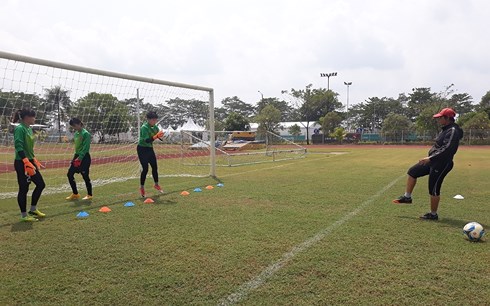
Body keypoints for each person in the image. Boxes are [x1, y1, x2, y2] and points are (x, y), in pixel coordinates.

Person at [393, 108, 463, 220]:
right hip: (433, 161)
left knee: (433, 188)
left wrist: (430, 157)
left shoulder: (453, 131)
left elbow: (447, 148)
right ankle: (407, 197)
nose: (438, 120)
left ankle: (433, 214)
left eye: (440, 118)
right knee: (412, 172)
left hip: (442, 163)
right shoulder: (445, 129)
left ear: (448, 118)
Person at [12, 109, 46, 222]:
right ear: (26, 117)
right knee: (24, 188)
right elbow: (19, 146)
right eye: (33, 117)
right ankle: (24, 215)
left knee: (40, 184)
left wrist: (34, 159)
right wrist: (26, 161)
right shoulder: (20, 129)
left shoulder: (29, 129)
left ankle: (33, 209)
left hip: (30, 161)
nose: (34, 119)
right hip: (22, 162)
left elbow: (29, 148)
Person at [137, 111, 165, 197]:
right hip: (142, 149)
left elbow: (158, 136)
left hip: (149, 148)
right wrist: (156, 136)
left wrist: (162, 136)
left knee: (155, 167)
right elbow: (146, 140)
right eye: (153, 119)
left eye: (156, 119)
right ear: (148, 119)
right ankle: (142, 187)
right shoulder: (144, 127)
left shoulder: (155, 127)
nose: (155, 121)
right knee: (145, 169)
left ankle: (156, 185)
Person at [65, 118, 93, 201]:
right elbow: (77, 147)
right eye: (72, 126)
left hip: (84, 157)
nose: (74, 127)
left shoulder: (86, 134)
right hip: (77, 156)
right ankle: (75, 193)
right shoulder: (76, 133)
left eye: (75, 125)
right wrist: (75, 157)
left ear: (80, 123)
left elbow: (85, 148)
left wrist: (80, 158)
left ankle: (89, 194)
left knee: (85, 176)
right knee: (69, 174)